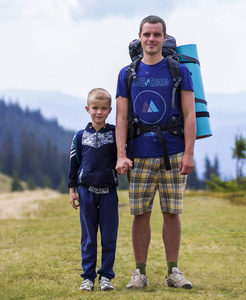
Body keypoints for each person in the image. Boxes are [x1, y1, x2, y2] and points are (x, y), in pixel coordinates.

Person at [115, 15, 196, 290]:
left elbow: (189, 113)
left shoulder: (179, 71)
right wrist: (120, 155)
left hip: (173, 153)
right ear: (140, 37)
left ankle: (174, 271)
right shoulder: (127, 73)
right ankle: (140, 273)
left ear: (164, 38)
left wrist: (188, 153)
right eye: (147, 34)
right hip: (138, 154)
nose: (151, 39)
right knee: (140, 213)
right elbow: (122, 118)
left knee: (172, 212)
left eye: (157, 35)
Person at [68, 88, 119, 292]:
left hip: (109, 193)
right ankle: (87, 278)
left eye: (104, 108)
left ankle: (106, 277)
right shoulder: (79, 137)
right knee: (88, 238)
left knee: (108, 237)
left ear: (110, 110)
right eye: (95, 108)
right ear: (88, 109)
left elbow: (123, 156)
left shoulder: (116, 134)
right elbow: (73, 164)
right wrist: (72, 190)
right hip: (86, 192)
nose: (99, 112)